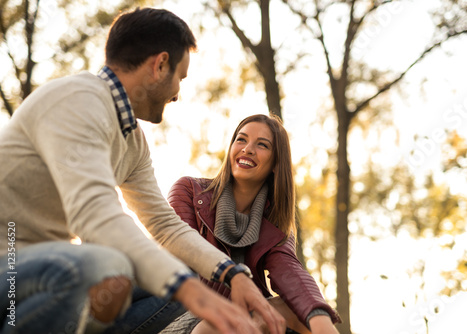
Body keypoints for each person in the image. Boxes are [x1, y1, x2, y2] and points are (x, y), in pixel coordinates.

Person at [0, 8, 285, 334]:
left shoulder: (131, 140)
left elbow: (165, 226)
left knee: (175, 278)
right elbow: (94, 213)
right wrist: (194, 294)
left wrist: (231, 273)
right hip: (9, 272)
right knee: (106, 265)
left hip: (42, 276)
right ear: (160, 65)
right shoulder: (77, 100)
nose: (178, 92)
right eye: (180, 77)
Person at [164, 114, 341, 334]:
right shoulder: (189, 191)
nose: (248, 149)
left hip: (249, 319)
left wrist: (319, 316)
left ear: (276, 163)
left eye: (262, 145)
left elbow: (291, 274)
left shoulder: (276, 223)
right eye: (241, 139)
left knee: (303, 312)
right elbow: (182, 253)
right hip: (189, 313)